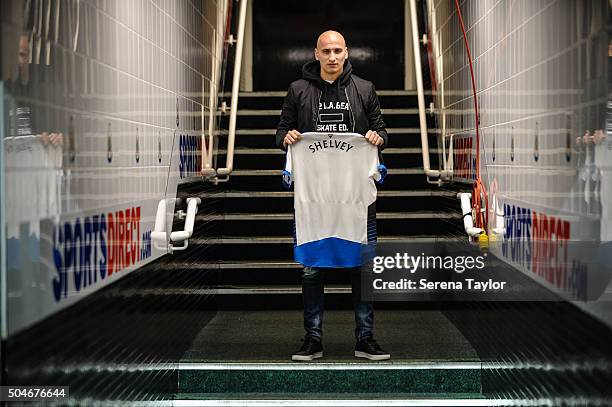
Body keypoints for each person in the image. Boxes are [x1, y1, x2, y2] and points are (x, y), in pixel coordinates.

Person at [276, 30, 390, 361]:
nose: (332, 56)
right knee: (312, 268)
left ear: (346, 53)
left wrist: (376, 137)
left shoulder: (364, 89)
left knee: (363, 266)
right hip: (315, 198)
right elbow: (281, 131)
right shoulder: (299, 90)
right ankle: (312, 340)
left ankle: (365, 339)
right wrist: (288, 137)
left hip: (355, 197)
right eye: (326, 51)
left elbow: (382, 131)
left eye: (337, 50)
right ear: (315, 53)